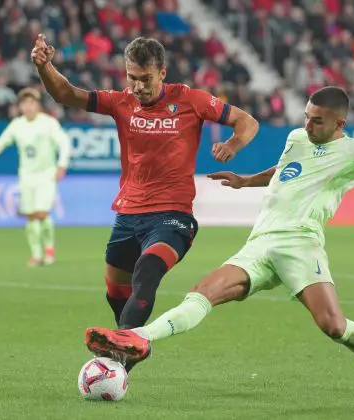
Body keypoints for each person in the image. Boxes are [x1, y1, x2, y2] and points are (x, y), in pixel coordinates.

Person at [84, 86, 354, 396]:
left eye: (317, 120)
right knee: (202, 293)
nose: (307, 124)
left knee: (333, 327)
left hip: (301, 245)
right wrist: (247, 181)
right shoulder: (297, 139)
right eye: (306, 115)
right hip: (260, 242)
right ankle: (137, 339)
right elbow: (285, 169)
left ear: (339, 123)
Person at [31, 34, 259, 371]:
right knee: (115, 293)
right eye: (132, 78)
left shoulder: (191, 100)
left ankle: (120, 356)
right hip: (128, 215)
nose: (137, 86)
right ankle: (129, 342)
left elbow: (246, 121)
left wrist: (233, 145)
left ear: (162, 73)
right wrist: (44, 66)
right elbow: (66, 94)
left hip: (172, 216)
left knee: (147, 270)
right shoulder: (120, 102)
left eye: (145, 79)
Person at [0, 87, 71, 267]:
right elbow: (0, 144)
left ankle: (49, 249)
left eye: (31, 103)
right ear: (20, 106)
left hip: (46, 175)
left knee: (42, 213)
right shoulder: (17, 125)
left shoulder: (48, 123)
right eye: (24, 103)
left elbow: (63, 142)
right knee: (31, 216)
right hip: (26, 176)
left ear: (38, 105)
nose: (28, 107)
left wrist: (62, 164)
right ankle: (36, 254)